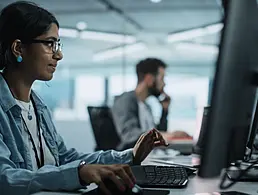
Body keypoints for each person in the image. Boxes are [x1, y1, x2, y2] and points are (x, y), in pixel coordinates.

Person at [0, 2, 168, 195]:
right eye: (49, 43)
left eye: (57, 44)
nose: (59, 54)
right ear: (18, 48)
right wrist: (78, 174)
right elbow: (4, 179)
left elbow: (64, 158)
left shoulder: (38, 107)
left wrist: (129, 156)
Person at [112, 58, 191, 150]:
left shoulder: (146, 106)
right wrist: (168, 135)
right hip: (130, 160)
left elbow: (157, 136)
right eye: (162, 78)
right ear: (149, 79)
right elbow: (129, 134)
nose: (164, 84)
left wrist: (164, 111)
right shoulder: (126, 100)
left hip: (149, 157)